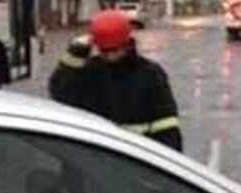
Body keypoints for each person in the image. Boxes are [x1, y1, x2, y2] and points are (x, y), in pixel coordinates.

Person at [49, 10, 184, 152]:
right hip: (95, 155)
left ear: (127, 44)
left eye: (114, 49)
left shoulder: (150, 74)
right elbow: (60, 93)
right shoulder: (89, 71)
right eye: (104, 50)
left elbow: (167, 125)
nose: (109, 55)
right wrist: (75, 54)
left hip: (136, 157)